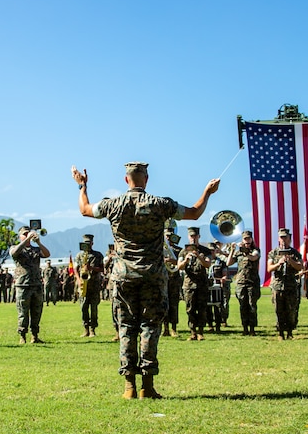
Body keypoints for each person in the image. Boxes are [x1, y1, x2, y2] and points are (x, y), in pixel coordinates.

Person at [72, 162, 219, 399]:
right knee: (150, 326)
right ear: (146, 180)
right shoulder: (160, 204)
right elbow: (194, 212)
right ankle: (147, 387)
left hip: (123, 276)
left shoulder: (113, 204)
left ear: (125, 180)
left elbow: (85, 209)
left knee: (126, 327)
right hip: (152, 275)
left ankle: (129, 387)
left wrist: (82, 185)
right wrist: (207, 192)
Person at [10, 225, 50, 344]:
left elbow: (47, 254)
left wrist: (38, 242)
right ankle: (22, 336)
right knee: (23, 312)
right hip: (23, 285)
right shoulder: (16, 248)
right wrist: (26, 241)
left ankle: (35, 336)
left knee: (37, 312)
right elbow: (14, 253)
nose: (27, 235)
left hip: (36, 284)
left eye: (28, 233)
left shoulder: (36, 250)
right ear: (20, 236)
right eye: (24, 234)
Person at [176, 226, 212, 341]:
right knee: (190, 309)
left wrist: (199, 257)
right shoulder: (183, 251)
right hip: (189, 285)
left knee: (202, 308)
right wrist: (186, 260)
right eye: (191, 236)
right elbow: (179, 267)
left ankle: (201, 332)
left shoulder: (205, 250)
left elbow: (208, 264)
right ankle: (193, 332)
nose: (193, 238)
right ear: (188, 237)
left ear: (199, 236)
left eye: (195, 236)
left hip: (201, 284)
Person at [267, 228, 303, 340]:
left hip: (291, 285)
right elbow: (269, 268)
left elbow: (300, 266)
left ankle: (290, 332)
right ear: (278, 238)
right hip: (278, 285)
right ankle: (280, 332)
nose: (283, 240)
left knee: (291, 309)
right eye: (281, 237)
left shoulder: (295, 253)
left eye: (285, 237)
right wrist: (279, 263)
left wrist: (290, 261)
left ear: (289, 238)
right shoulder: (273, 253)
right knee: (279, 310)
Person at [229, 229, 261, 335]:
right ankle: (245, 328)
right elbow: (229, 263)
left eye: (248, 239)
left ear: (251, 239)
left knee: (252, 305)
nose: (247, 241)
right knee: (243, 305)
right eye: (245, 239)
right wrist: (233, 250)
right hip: (241, 282)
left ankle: (252, 328)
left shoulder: (255, 250)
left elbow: (253, 258)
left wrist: (244, 251)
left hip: (252, 282)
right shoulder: (239, 253)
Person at [76, 234, 104, 337]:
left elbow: (102, 269)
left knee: (94, 308)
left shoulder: (98, 255)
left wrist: (91, 268)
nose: (87, 245)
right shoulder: (79, 255)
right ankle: (86, 328)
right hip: (83, 286)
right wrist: (78, 280)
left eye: (89, 243)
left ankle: (93, 329)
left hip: (94, 285)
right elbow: (75, 268)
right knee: (83, 307)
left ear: (92, 243)